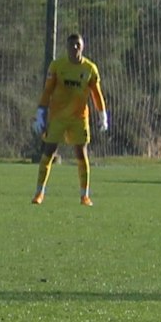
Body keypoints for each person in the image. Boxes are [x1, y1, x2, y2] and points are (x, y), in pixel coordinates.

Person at [32, 32, 106, 205]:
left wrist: (103, 115)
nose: (74, 48)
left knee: (81, 153)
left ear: (83, 47)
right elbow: (47, 91)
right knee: (49, 151)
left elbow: (97, 94)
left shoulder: (90, 68)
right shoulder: (57, 66)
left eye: (77, 45)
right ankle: (39, 193)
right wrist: (40, 113)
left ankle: (84, 195)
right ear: (66, 47)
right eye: (71, 45)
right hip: (57, 117)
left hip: (79, 118)